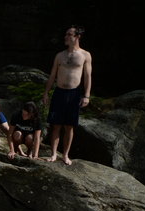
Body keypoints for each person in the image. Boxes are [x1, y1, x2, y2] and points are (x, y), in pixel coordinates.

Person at [42, 25, 92, 165]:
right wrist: (46, 93)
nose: (66, 37)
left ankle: (65, 155)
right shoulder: (60, 55)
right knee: (56, 125)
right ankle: (53, 154)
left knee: (69, 126)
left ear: (77, 37)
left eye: (69, 34)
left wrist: (86, 95)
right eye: (66, 34)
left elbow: (87, 76)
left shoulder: (85, 55)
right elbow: (52, 75)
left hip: (74, 93)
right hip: (59, 92)